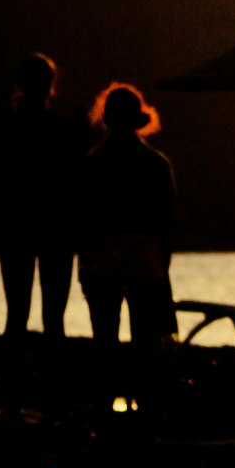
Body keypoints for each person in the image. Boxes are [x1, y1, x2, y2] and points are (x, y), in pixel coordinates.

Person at [79, 82, 175, 364]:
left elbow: (85, 218)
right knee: (146, 345)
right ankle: (145, 402)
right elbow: (165, 221)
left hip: (102, 260)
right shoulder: (156, 164)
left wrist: (84, 262)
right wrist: (163, 264)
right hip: (145, 261)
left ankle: (105, 401)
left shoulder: (93, 164)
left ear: (106, 120)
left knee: (104, 341)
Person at [0, 53, 78, 338]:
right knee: (54, 318)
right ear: (50, 86)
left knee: (16, 313)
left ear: (19, 83)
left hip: (15, 224)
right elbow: (76, 179)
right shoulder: (65, 130)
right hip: (56, 225)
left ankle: (12, 373)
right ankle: (53, 375)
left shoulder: (5, 127)